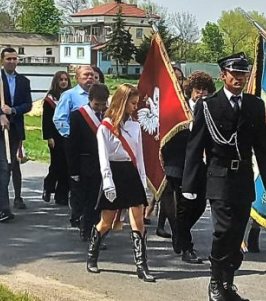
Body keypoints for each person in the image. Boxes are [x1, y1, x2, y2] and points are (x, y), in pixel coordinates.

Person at [182, 52, 266, 301]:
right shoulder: (208, 105)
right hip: (219, 175)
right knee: (223, 231)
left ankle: (228, 283)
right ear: (222, 75)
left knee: (237, 233)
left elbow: (262, 146)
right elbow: (195, 146)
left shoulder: (254, 105)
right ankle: (215, 281)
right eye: (234, 74)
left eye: (243, 74)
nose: (239, 78)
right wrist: (189, 183)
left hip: (243, 176)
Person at [86, 84, 155, 282]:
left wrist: (142, 181)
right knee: (106, 221)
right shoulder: (105, 126)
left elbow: (139, 156)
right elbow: (103, 157)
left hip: (131, 173)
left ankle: (142, 265)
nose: (135, 107)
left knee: (139, 221)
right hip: (113, 174)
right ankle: (92, 255)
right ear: (123, 102)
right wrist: (107, 182)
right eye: (133, 103)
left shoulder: (135, 126)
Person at [162, 70, 214, 264]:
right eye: (198, 89)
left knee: (200, 206)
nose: (202, 93)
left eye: (206, 90)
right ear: (191, 90)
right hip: (179, 165)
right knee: (183, 208)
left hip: (202, 166)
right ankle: (186, 247)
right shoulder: (180, 109)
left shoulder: (210, 110)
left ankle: (179, 232)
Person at [0, 47, 32, 222]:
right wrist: (1, 115)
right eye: (8, 59)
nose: (12, 61)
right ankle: (1, 208)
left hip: (14, 130)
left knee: (8, 165)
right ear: (2, 60)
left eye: (14, 59)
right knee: (2, 165)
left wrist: (13, 110)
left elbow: (28, 105)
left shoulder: (24, 81)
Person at [55, 65, 95, 232]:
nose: (90, 78)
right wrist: (71, 135)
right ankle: (78, 215)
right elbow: (59, 118)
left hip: (95, 147)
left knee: (92, 185)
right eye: (86, 75)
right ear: (78, 78)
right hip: (76, 147)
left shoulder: (99, 95)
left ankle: (86, 217)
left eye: (92, 75)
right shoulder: (69, 95)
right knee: (77, 182)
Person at [69, 83, 109, 243]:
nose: (100, 108)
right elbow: (72, 145)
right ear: (89, 100)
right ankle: (87, 230)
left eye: (103, 104)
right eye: (96, 104)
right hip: (86, 163)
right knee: (89, 199)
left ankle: (99, 229)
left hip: (105, 163)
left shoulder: (109, 115)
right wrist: (73, 170)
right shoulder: (78, 116)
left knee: (102, 199)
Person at [156, 66, 186, 243]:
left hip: (184, 152)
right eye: (174, 78)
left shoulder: (186, 101)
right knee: (167, 190)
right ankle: (177, 232)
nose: (178, 82)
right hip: (166, 154)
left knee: (175, 193)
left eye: (181, 78)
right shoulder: (159, 102)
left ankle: (162, 226)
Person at [42, 71, 72, 205]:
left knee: (67, 165)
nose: (64, 82)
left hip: (67, 134)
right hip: (55, 136)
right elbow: (46, 120)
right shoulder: (50, 99)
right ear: (56, 81)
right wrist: (48, 136)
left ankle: (62, 195)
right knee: (56, 165)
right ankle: (48, 186)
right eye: (61, 80)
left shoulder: (71, 96)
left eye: (66, 79)